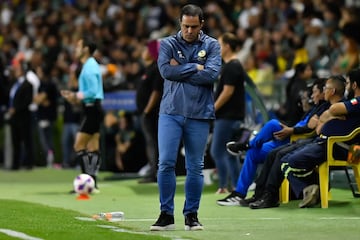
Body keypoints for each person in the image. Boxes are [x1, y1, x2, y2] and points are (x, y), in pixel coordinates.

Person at [150, 4, 221, 231]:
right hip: (170, 112)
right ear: (179, 24)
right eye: (185, 26)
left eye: (193, 26)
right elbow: (165, 72)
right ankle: (166, 214)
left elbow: (211, 74)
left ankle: (191, 215)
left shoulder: (212, 45)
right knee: (166, 164)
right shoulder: (168, 43)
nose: (189, 31)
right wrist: (195, 67)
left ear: (202, 24)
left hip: (199, 114)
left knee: (195, 167)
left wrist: (181, 67)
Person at [217, 78, 328, 206]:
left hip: (295, 140)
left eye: (314, 92)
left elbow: (310, 129)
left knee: (273, 124)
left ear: (324, 92)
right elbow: (306, 124)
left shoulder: (324, 107)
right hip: (290, 136)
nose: (311, 96)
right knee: (253, 153)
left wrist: (291, 130)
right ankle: (239, 193)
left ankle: (246, 145)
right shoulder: (314, 108)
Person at [248, 74, 348, 209]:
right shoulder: (325, 106)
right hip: (316, 140)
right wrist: (322, 121)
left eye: (325, 88)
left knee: (281, 156)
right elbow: (316, 128)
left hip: (325, 144)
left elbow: (317, 128)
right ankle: (261, 194)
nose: (323, 91)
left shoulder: (343, 106)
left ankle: (272, 196)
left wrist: (322, 120)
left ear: (333, 91)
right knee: (275, 154)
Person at [279, 71, 360, 208]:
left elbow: (333, 109)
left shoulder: (356, 102)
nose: (345, 86)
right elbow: (321, 124)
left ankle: (312, 187)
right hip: (326, 143)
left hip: (340, 147)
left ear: (354, 85)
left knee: (288, 161)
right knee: (284, 161)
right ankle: (311, 188)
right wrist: (327, 116)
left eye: (347, 83)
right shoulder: (350, 104)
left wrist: (328, 115)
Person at [61, 37, 104, 192]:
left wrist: (76, 96)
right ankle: (93, 183)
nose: (76, 49)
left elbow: (92, 91)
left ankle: (87, 182)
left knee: (79, 145)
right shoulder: (89, 65)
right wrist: (74, 96)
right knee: (93, 146)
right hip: (92, 108)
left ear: (86, 49)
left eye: (78, 46)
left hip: (92, 109)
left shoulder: (90, 66)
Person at [210, 32, 245, 194]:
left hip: (228, 116)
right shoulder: (231, 65)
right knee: (230, 152)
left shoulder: (232, 66)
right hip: (230, 116)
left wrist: (213, 108)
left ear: (227, 47)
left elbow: (228, 91)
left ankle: (224, 185)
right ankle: (237, 186)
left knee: (218, 150)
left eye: (220, 45)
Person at [136, 39, 163, 184]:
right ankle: (153, 170)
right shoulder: (148, 69)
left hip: (152, 114)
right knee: (150, 142)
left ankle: (155, 173)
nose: (143, 52)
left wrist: (147, 110)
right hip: (146, 113)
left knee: (153, 142)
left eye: (147, 49)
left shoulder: (156, 68)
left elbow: (156, 92)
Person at [6, 57, 34, 170]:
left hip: (23, 117)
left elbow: (27, 101)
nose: (15, 71)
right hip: (14, 118)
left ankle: (29, 164)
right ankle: (15, 164)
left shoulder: (28, 85)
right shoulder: (14, 83)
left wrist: (15, 109)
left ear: (22, 71)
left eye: (17, 69)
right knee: (15, 141)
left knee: (26, 140)